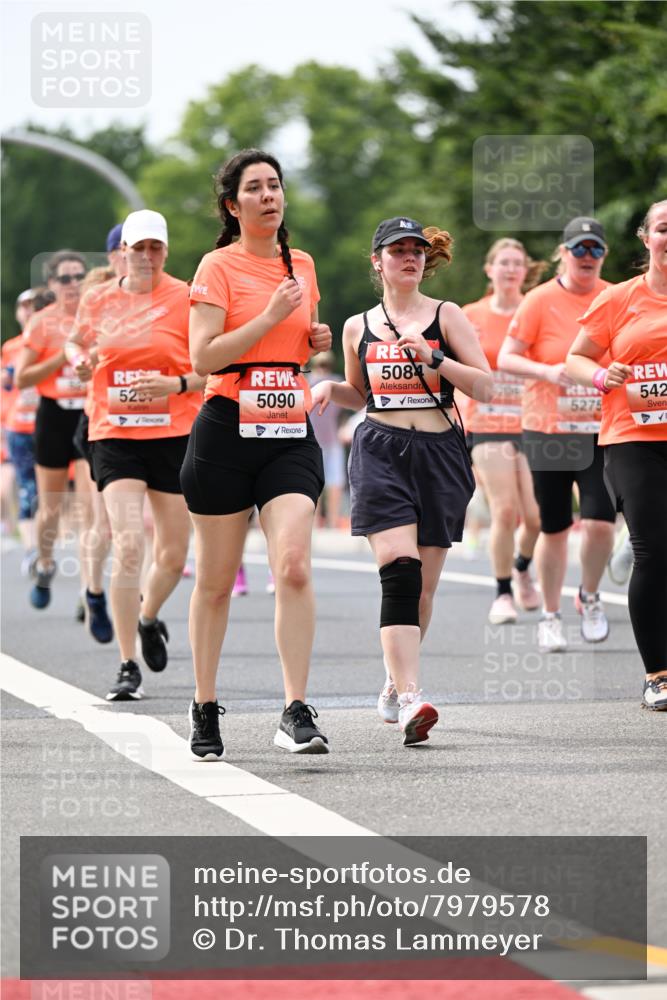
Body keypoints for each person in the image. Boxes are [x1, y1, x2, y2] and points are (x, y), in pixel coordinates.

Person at [312, 216, 492, 746]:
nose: (409, 258)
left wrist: (434, 356)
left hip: (439, 452)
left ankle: (393, 683)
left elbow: (486, 385)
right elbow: (361, 392)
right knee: (400, 571)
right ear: (378, 261)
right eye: (397, 251)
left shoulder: (446, 315)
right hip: (381, 450)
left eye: (416, 251)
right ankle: (414, 695)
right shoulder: (356, 326)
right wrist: (328, 390)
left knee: (425, 591)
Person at [182, 148, 332, 759]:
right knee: (216, 584)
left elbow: (299, 347)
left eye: (275, 185)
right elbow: (203, 357)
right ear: (232, 204)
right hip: (225, 428)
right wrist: (271, 315)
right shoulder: (218, 266)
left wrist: (314, 341)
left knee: (292, 563)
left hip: (287, 429)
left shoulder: (303, 265)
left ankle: (295, 708)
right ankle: (205, 703)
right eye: (256, 188)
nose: (269, 195)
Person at [68, 209, 204, 701]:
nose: (147, 256)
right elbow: (75, 343)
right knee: (128, 544)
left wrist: (177, 383)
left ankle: (148, 617)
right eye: (138, 247)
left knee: (172, 552)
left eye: (156, 248)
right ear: (122, 251)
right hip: (114, 434)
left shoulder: (187, 296)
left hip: (174, 434)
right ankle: (127, 664)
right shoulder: (98, 299)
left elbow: (214, 369)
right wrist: (78, 362)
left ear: (165, 252)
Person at [497, 217, 616, 653]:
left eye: (595, 250)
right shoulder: (538, 299)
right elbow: (508, 357)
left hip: (600, 429)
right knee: (556, 527)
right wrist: (548, 371)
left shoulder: (614, 297)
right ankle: (550, 614)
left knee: (602, 522)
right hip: (548, 428)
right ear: (563, 254)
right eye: (579, 249)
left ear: (603, 256)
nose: (587, 257)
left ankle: (589, 594)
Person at [566, 199, 667, 710]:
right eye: (664, 229)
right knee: (654, 550)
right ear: (646, 238)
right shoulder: (620, 298)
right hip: (634, 439)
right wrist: (606, 376)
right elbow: (577, 358)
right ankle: (658, 674)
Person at [463, 239, 544, 624]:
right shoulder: (471, 315)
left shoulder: (536, 310)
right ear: (489, 269)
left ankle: (523, 566)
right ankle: (502, 594)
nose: (511, 269)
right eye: (504, 263)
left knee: (537, 516)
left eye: (518, 263)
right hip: (486, 422)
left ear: (526, 270)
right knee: (505, 510)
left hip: (533, 422)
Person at [15, 251, 90, 609]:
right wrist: (64, 355)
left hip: (90, 414)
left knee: (92, 509)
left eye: (78, 276)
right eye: (65, 278)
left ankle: (90, 589)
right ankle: (44, 563)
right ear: (52, 285)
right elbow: (23, 376)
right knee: (52, 507)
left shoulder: (99, 316)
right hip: (53, 416)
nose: (73, 284)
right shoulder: (42, 323)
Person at [1, 291, 39, 562]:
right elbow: (5, 385)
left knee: (48, 494)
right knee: (26, 489)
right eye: (23, 306)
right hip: (18, 427)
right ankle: (31, 550)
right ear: (17, 313)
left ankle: (42, 545)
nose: (28, 311)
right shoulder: (11, 347)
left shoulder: (55, 344)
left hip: (49, 426)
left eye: (33, 306)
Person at [308, 351, 346, 529]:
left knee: (334, 484)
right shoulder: (334, 382)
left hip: (327, 438)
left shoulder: (312, 383)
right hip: (316, 439)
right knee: (318, 484)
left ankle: (330, 520)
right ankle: (319, 521)